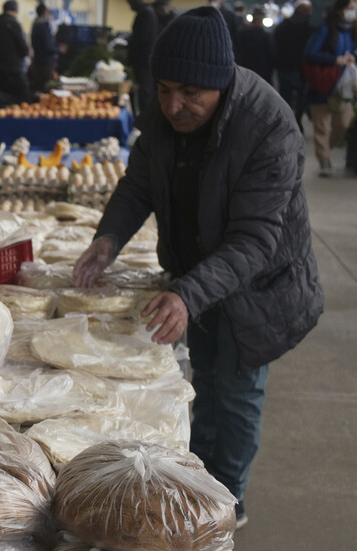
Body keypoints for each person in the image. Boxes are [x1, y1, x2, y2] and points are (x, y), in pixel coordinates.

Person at [74, 6, 323, 530]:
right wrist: (109, 237)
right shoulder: (167, 116)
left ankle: (225, 508)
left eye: (189, 93)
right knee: (202, 381)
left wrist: (189, 293)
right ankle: (201, 483)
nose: (173, 105)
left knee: (235, 392)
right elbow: (139, 182)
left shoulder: (269, 127)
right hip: (198, 273)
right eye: (163, 89)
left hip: (257, 285)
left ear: (221, 82)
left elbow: (256, 239)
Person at [304, 0, 357, 177]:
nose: (353, 11)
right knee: (322, 126)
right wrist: (335, 60)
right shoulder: (325, 29)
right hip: (323, 84)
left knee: (344, 121)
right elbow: (309, 54)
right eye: (350, 8)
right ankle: (324, 161)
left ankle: (326, 150)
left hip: (344, 86)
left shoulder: (353, 31)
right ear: (340, 9)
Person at [275, 1, 314, 131]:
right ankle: (296, 120)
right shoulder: (309, 29)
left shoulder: (283, 26)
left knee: (285, 98)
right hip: (301, 70)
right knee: (302, 98)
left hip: (284, 67)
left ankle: (287, 122)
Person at [0, 1, 31, 104]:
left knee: (0, 104)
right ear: (15, 11)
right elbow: (24, 49)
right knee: (21, 103)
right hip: (14, 73)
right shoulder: (14, 24)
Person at [127, 0, 159, 114]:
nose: (129, 5)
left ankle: (147, 121)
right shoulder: (147, 12)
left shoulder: (145, 14)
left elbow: (140, 40)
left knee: (145, 92)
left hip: (143, 61)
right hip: (144, 60)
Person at [235, 6, 277, 84]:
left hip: (246, 71)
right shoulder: (266, 35)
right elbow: (272, 54)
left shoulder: (242, 33)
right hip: (264, 72)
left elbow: (238, 51)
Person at [30, 3, 59, 94]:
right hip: (45, 62)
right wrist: (58, 50)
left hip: (38, 60)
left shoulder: (35, 25)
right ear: (44, 12)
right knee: (46, 88)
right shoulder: (43, 26)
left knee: (38, 86)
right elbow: (47, 46)